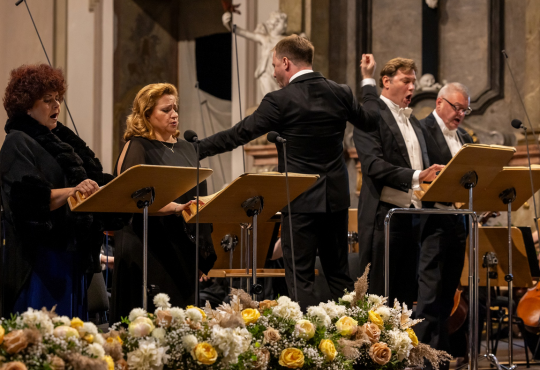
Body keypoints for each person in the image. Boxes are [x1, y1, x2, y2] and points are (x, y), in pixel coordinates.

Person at [198, 35, 379, 309]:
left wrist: (196, 149)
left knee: (300, 278)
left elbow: (239, 134)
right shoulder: (341, 92)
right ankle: (355, 330)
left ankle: (309, 335)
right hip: (335, 200)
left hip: (300, 200)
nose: (273, 73)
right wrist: (368, 82)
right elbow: (371, 120)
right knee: (339, 275)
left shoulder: (279, 100)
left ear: (285, 62)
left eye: (274, 65)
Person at [0, 64, 126, 318]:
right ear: (27, 106)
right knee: (43, 335)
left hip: (72, 255)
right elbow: (28, 202)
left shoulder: (61, 142)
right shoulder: (17, 141)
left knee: (73, 335)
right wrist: (73, 191)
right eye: (47, 100)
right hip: (40, 261)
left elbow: (90, 181)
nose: (56, 105)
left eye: (58, 98)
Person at [111, 83, 217, 319]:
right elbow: (131, 198)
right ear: (147, 114)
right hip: (148, 246)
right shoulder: (137, 146)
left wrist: (201, 253)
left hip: (182, 248)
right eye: (166, 109)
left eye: (175, 108)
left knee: (182, 323)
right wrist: (177, 208)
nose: (174, 114)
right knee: (149, 322)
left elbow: (197, 198)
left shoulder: (187, 149)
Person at [353, 54, 443, 306]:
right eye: (405, 81)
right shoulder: (371, 115)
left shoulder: (412, 120)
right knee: (377, 297)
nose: (412, 87)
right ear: (386, 81)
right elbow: (372, 165)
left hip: (412, 217)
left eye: (414, 81)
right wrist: (417, 176)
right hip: (384, 218)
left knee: (404, 299)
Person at [415, 83, 473, 363]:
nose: (460, 114)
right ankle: (422, 357)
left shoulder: (464, 137)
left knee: (448, 294)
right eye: (456, 107)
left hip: (458, 221)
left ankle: (439, 359)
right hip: (432, 219)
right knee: (430, 294)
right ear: (439, 103)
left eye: (465, 110)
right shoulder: (421, 130)